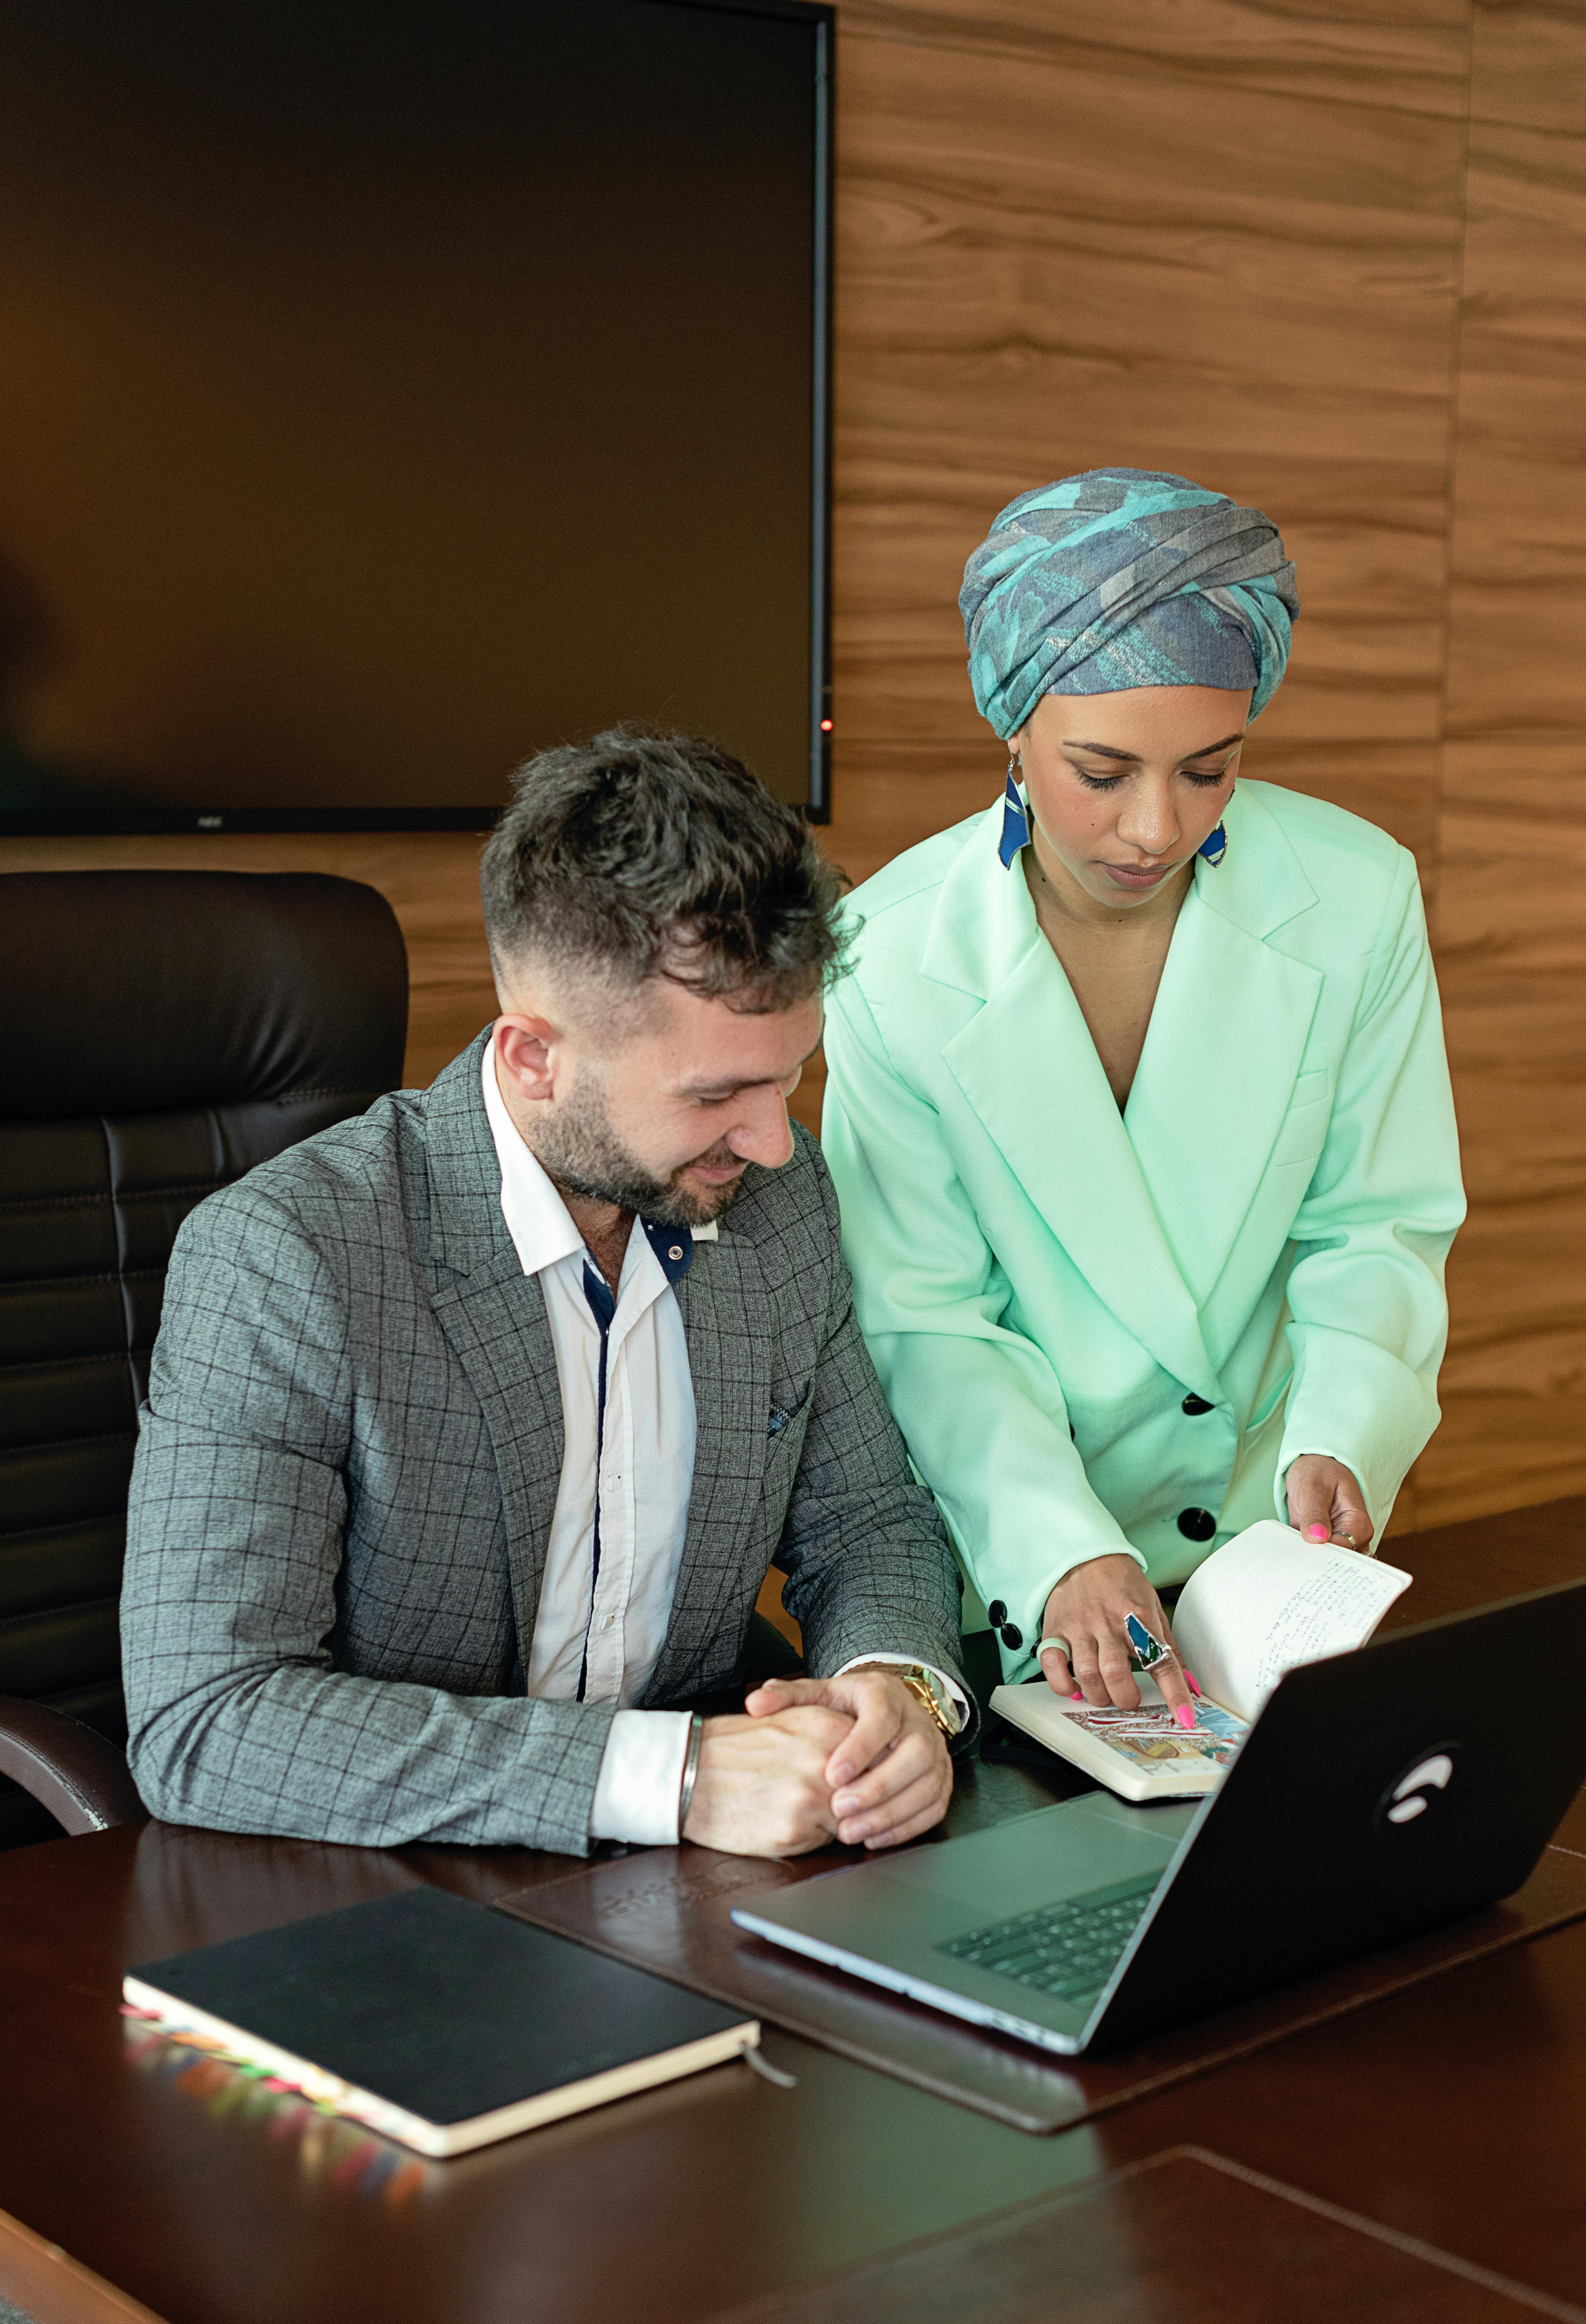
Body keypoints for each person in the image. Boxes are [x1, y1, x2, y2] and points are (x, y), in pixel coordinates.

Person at [122, 730, 973, 1858]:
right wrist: (671, 1779)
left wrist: (894, 1692)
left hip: (701, 1884)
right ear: (535, 1060)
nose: (774, 1144)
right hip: (385, 1885)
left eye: (791, 1079)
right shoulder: (289, 1258)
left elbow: (867, 1521)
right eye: (719, 1093)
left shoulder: (779, 1200)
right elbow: (208, 1721)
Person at [820, 469, 1466, 1722]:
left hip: (1270, 1558)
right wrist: (1060, 1547)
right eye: (1101, 771)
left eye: (1210, 771)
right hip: (1019, 1567)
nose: (1154, 828)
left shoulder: (1359, 897)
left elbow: (1375, 1226)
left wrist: (1345, 1430)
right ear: (1009, 722)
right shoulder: (887, 956)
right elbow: (927, 1319)